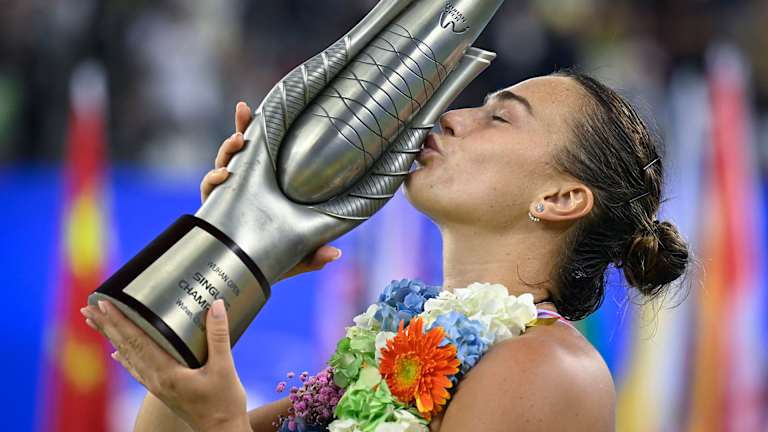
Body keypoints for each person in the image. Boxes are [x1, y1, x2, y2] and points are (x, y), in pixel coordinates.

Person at [81, 70, 690, 432]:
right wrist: (244, 242)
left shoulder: (554, 371)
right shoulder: (398, 348)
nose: (451, 117)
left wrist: (220, 422)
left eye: (501, 118)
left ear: (560, 197)